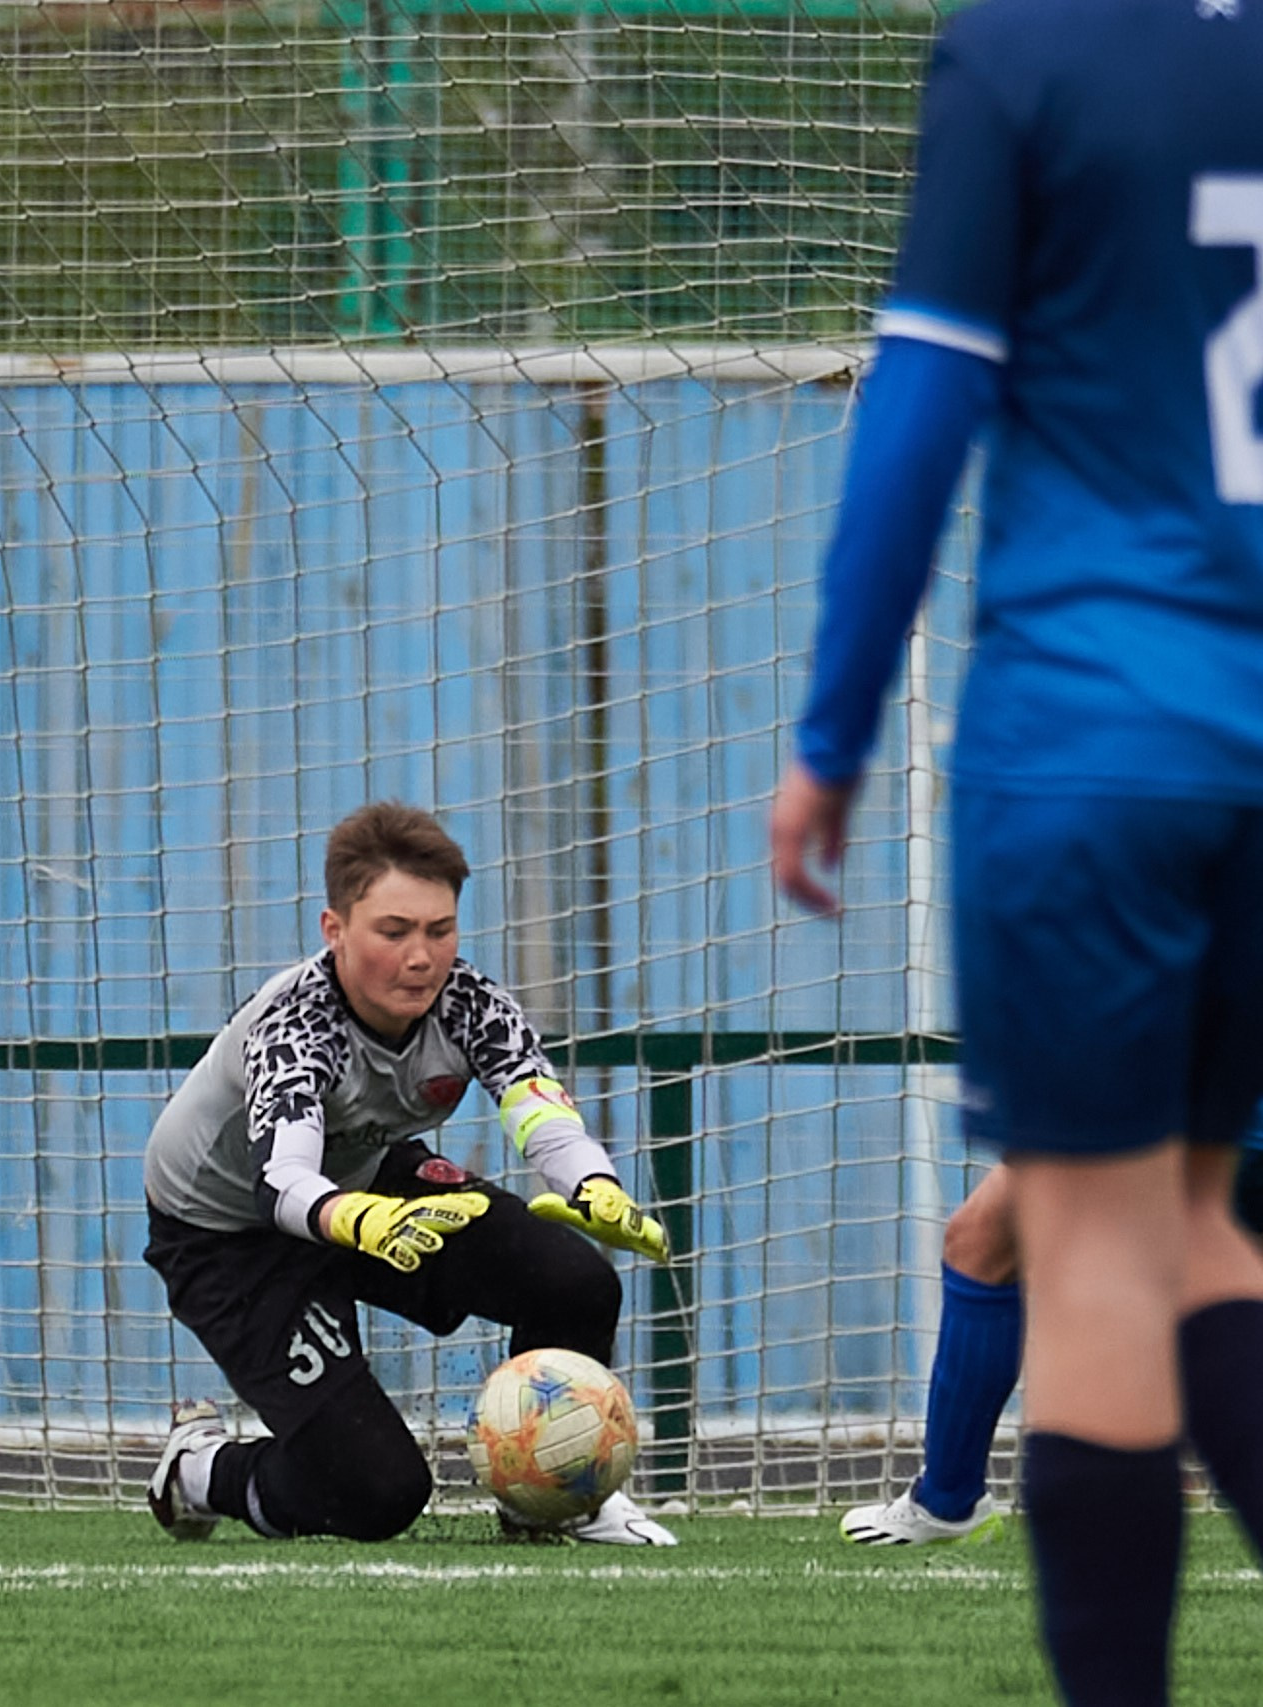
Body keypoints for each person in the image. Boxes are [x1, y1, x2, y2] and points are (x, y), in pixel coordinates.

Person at [769, 4, 1263, 1697]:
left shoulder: (1030, 54)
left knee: (1109, 1247)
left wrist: (832, 732)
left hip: (1098, 741)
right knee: (1201, 1233)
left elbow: (922, 406)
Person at [141, 801, 677, 1548]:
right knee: (377, 1493)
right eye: (393, 932)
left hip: (364, 1178)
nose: (421, 957)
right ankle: (199, 1472)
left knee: (576, 1283)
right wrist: (358, 1218)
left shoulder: (472, 1004)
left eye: (439, 930)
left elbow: (536, 1105)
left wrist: (594, 1185)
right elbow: (283, 1180)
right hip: (230, 1232)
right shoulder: (294, 1025)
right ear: (335, 930)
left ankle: (553, 1500)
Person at [844, 1140, 1263, 1547]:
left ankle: (951, 1500)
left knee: (1168, 1267)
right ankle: (947, 1499)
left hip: (1164, 1117)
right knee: (982, 1240)